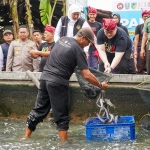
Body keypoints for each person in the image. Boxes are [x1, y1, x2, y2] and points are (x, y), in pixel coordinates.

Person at [22, 27, 108, 141]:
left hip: (44, 78)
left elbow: (51, 53)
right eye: (88, 42)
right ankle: (63, 142)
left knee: (39, 109)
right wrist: (100, 85)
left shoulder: (62, 40)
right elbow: (86, 74)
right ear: (83, 38)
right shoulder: (78, 50)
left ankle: (25, 136)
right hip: (58, 82)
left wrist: (38, 52)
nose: (87, 45)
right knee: (61, 114)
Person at [134, 10, 149, 74]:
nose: (146, 17)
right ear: (142, 17)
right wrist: (135, 50)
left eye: (148, 16)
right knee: (140, 66)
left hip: (148, 47)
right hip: (141, 48)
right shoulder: (139, 27)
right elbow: (136, 39)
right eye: (145, 16)